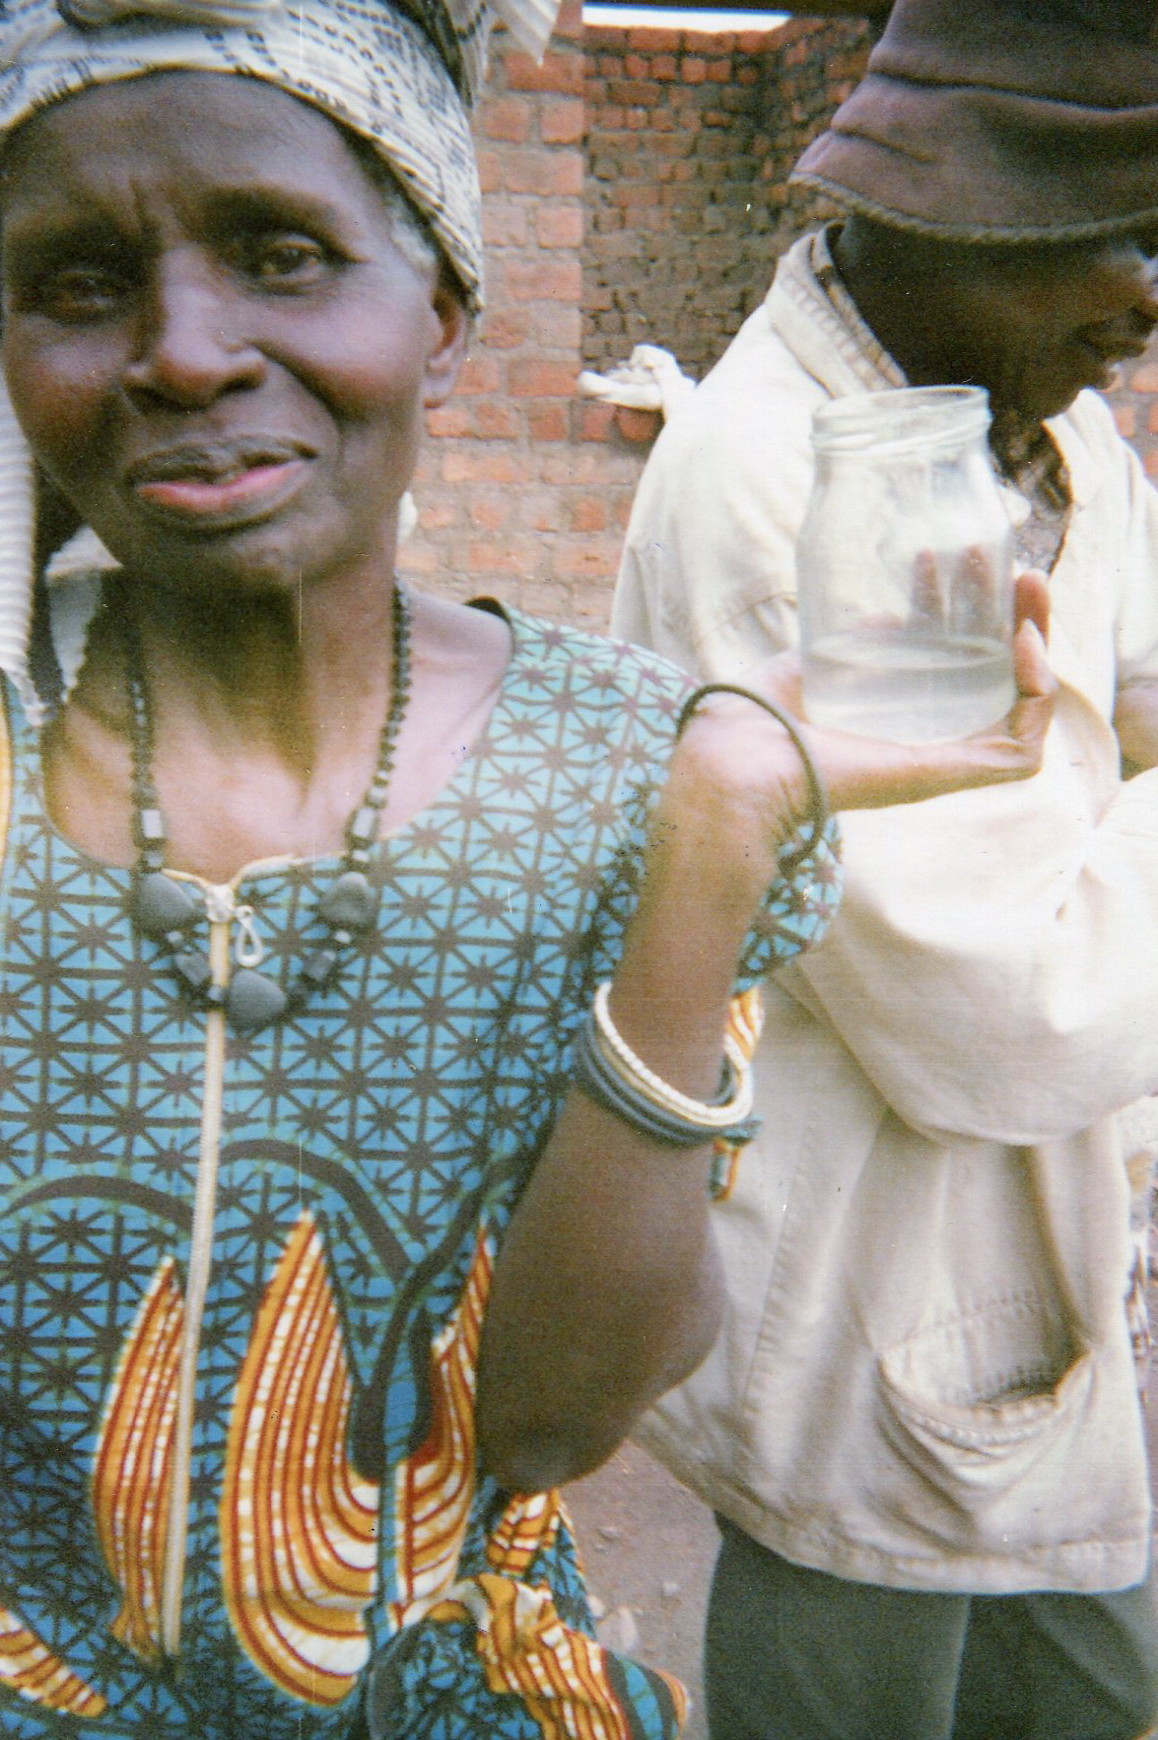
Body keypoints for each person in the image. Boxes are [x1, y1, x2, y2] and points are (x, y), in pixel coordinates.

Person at [0, 1, 1057, 1736]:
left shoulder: (620, 766)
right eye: (76, 285)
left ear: (443, 313)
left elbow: (553, 1424)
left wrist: (711, 831)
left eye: (280, 255)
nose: (183, 353)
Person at [612, 2, 1158, 1737]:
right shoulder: (783, 483)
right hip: (864, 1300)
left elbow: (1112, 713)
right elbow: (1012, 1014)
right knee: (863, 1654)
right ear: (944, 221)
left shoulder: (1055, 436)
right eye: (1111, 237)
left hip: (1038, 1267)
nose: (1143, 302)